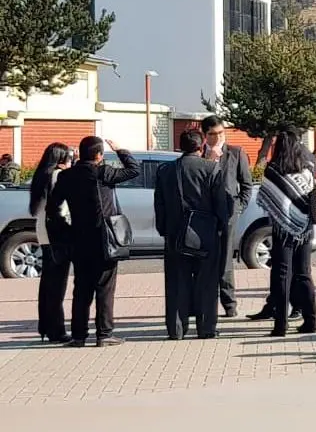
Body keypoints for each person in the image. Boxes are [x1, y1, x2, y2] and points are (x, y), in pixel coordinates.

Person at [47, 137, 140, 347]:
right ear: (99, 155)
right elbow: (134, 169)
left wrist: (65, 228)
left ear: (80, 153)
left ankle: (79, 336)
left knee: (81, 289)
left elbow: (53, 207)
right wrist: (120, 149)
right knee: (105, 287)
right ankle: (104, 334)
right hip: (106, 239)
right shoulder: (104, 172)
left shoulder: (66, 176)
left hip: (79, 238)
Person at [154, 129, 229, 340]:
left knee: (177, 282)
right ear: (201, 145)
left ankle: (176, 328)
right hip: (206, 233)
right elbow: (221, 203)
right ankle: (206, 328)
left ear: (180, 146)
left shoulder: (165, 170)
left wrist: (164, 230)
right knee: (207, 281)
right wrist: (221, 228)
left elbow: (159, 204)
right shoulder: (211, 169)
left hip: (175, 233)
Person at [256, 130, 316, 336]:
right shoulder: (307, 171)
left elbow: (264, 201)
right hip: (305, 229)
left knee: (282, 275)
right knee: (304, 274)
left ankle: (281, 325)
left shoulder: (272, 170)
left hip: (282, 229)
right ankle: (311, 321)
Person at [200, 115, 253, 319]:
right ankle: (205, 305)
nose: (218, 137)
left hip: (229, 213)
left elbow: (246, 185)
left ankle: (229, 304)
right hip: (205, 215)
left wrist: (239, 207)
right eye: (213, 134)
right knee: (206, 261)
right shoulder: (200, 154)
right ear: (205, 135)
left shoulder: (235, 152)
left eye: (221, 133)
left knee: (225, 261)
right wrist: (209, 160)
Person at [29, 143, 74, 343]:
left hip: (44, 231)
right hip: (57, 232)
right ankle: (57, 331)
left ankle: (46, 326)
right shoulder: (58, 175)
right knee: (57, 284)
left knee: (47, 283)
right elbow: (61, 208)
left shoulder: (42, 174)